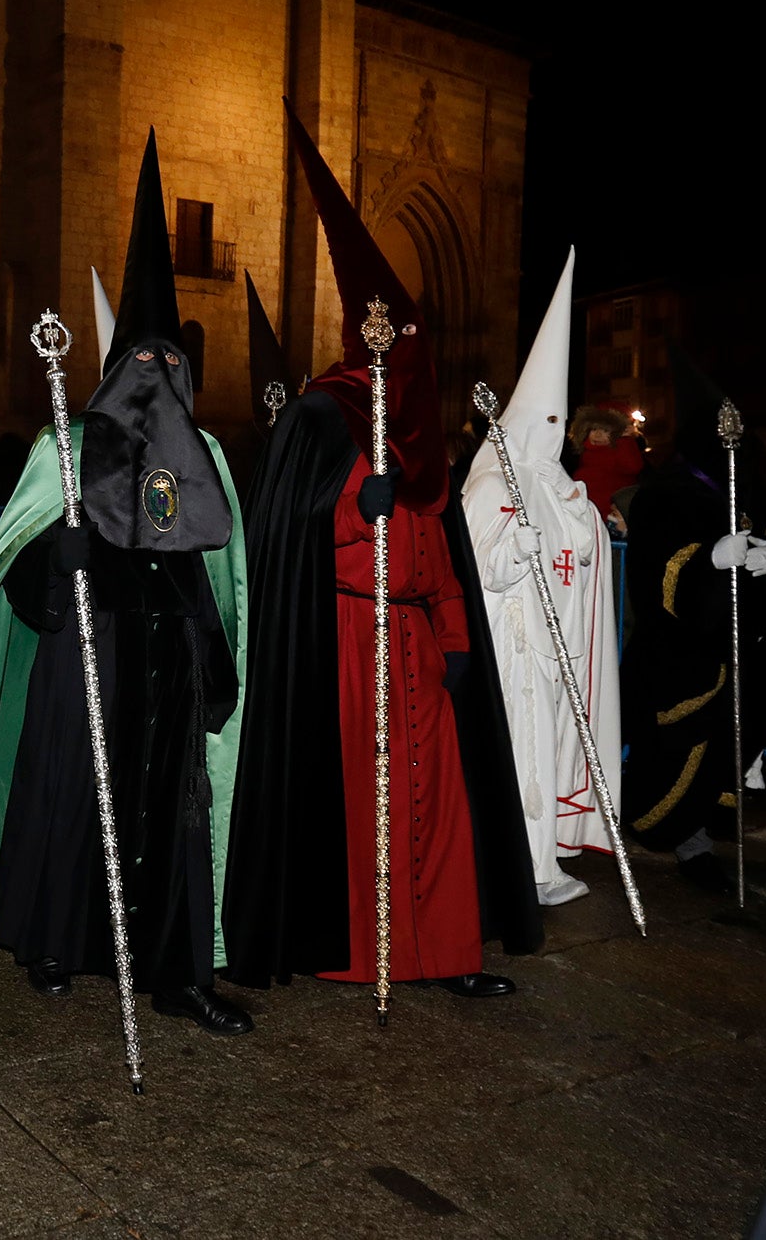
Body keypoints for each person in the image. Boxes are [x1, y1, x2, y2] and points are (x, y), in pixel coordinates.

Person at [0, 131, 253, 1035]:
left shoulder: (213, 455)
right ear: (115, 374)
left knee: (175, 819)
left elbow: (219, 576)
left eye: (173, 366)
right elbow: (16, 584)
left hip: (176, 664)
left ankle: (180, 974)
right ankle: (57, 942)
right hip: (89, 652)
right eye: (142, 364)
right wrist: (52, 559)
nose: (160, 379)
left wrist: (218, 665)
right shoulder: (62, 452)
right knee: (78, 795)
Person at [222, 102, 541, 996]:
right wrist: (347, 508)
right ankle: (355, 953)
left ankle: (446, 955)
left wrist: (455, 642)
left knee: (436, 804)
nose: (408, 357)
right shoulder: (325, 413)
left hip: (416, 651)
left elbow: (437, 538)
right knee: (359, 806)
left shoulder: (418, 435)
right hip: (341, 641)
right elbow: (285, 531)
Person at [462, 249, 616, 906]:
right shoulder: (492, 479)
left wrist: (582, 522)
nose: (554, 435)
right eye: (545, 422)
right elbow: (475, 561)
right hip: (511, 643)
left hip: (555, 649)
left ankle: (543, 862)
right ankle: (507, 867)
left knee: (547, 751)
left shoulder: (555, 485)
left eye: (562, 423)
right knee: (515, 753)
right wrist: (509, 546)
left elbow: (585, 554)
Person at [620, 343, 766, 891]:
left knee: (740, 731)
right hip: (680, 653)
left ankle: (711, 819)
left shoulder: (743, 493)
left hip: (739, 652)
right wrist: (710, 559)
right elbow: (655, 569)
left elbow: (762, 542)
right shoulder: (667, 495)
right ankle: (689, 843)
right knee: (686, 745)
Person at [569, 405, 646, 524]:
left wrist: (625, 441)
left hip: (612, 516)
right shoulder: (583, 454)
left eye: (605, 431)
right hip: (585, 514)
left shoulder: (620, 450)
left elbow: (633, 466)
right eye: (594, 429)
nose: (598, 434)